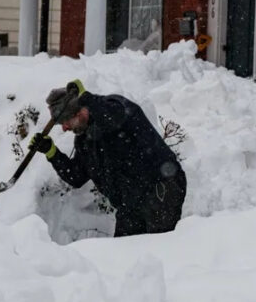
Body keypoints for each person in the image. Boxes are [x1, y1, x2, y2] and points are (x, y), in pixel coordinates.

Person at [31, 80, 186, 237]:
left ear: (79, 113)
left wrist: (86, 98)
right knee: (124, 254)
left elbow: (112, 118)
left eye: (65, 122)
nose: (64, 128)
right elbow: (76, 177)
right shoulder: (85, 139)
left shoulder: (115, 106)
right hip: (130, 202)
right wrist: (51, 152)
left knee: (159, 249)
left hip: (161, 188)